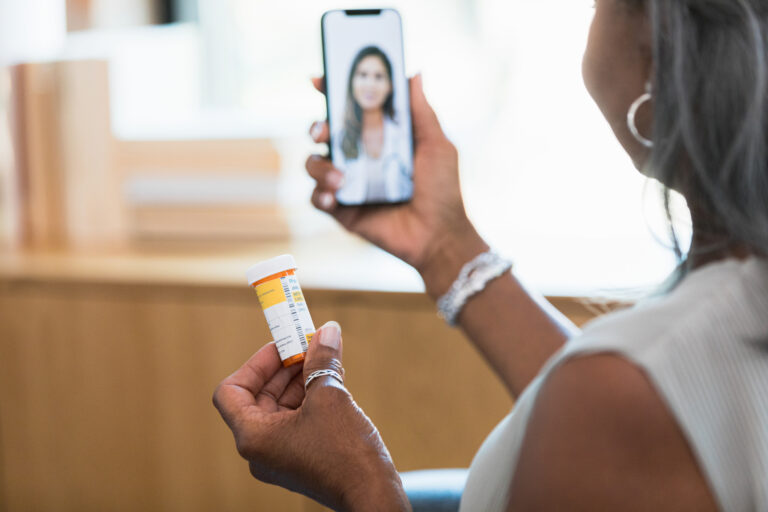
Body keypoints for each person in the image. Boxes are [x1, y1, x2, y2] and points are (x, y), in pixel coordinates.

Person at [213, 1, 768, 510]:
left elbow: (626, 400)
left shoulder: (622, 391)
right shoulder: (691, 335)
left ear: (657, 43)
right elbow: (644, 405)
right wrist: (445, 245)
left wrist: (362, 480)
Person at [333, 46, 413, 205]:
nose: (370, 84)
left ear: (390, 86)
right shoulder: (339, 138)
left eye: (379, 76)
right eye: (363, 75)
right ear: (352, 82)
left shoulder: (405, 133)